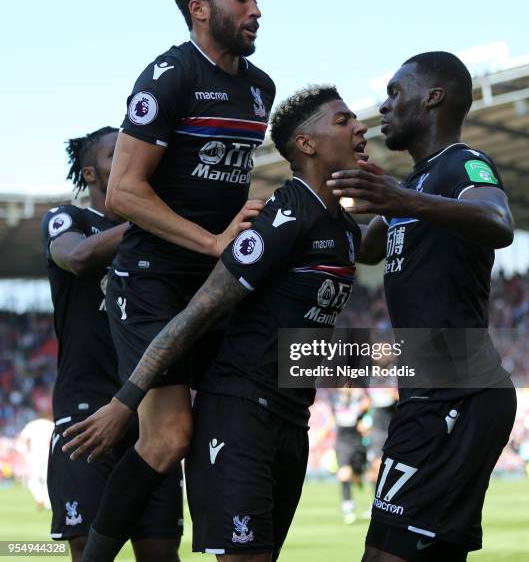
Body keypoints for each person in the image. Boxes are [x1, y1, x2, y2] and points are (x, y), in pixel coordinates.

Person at [63, 84, 368, 561]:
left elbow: (376, 239)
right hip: (241, 415)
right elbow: (198, 311)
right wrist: (127, 400)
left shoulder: (342, 228)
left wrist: (408, 198)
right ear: (306, 145)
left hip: (293, 417)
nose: (360, 127)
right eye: (343, 120)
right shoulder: (284, 216)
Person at [62, 0, 274, 560]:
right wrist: (211, 242)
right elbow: (126, 192)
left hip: (215, 287)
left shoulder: (260, 87)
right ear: (199, 9)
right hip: (152, 283)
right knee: (170, 436)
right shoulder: (168, 77)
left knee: (227, 423)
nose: (256, 10)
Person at [328, 51, 517, 561]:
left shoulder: (462, 162)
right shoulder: (413, 183)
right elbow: (367, 248)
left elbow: (497, 221)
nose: (383, 107)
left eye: (395, 93)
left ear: (433, 97)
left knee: (385, 553)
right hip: (432, 388)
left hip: (455, 391)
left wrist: (398, 199)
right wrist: (345, 188)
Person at [41, 128, 182, 562]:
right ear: (90, 173)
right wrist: (148, 217)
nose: (127, 154)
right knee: (90, 553)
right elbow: (78, 258)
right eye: (113, 152)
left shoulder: (162, 236)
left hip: (151, 413)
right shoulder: (69, 219)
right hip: (85, 410)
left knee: (160, 552)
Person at [332, 388, 371, 524]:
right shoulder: (334, 400)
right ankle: (348, 507)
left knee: (358, 475)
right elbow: (332, 419)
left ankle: (358, 479)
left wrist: (365, 420)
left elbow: (368, 415)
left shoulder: (361, 399)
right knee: (344, 474)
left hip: (358, 443)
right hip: (342, 442)